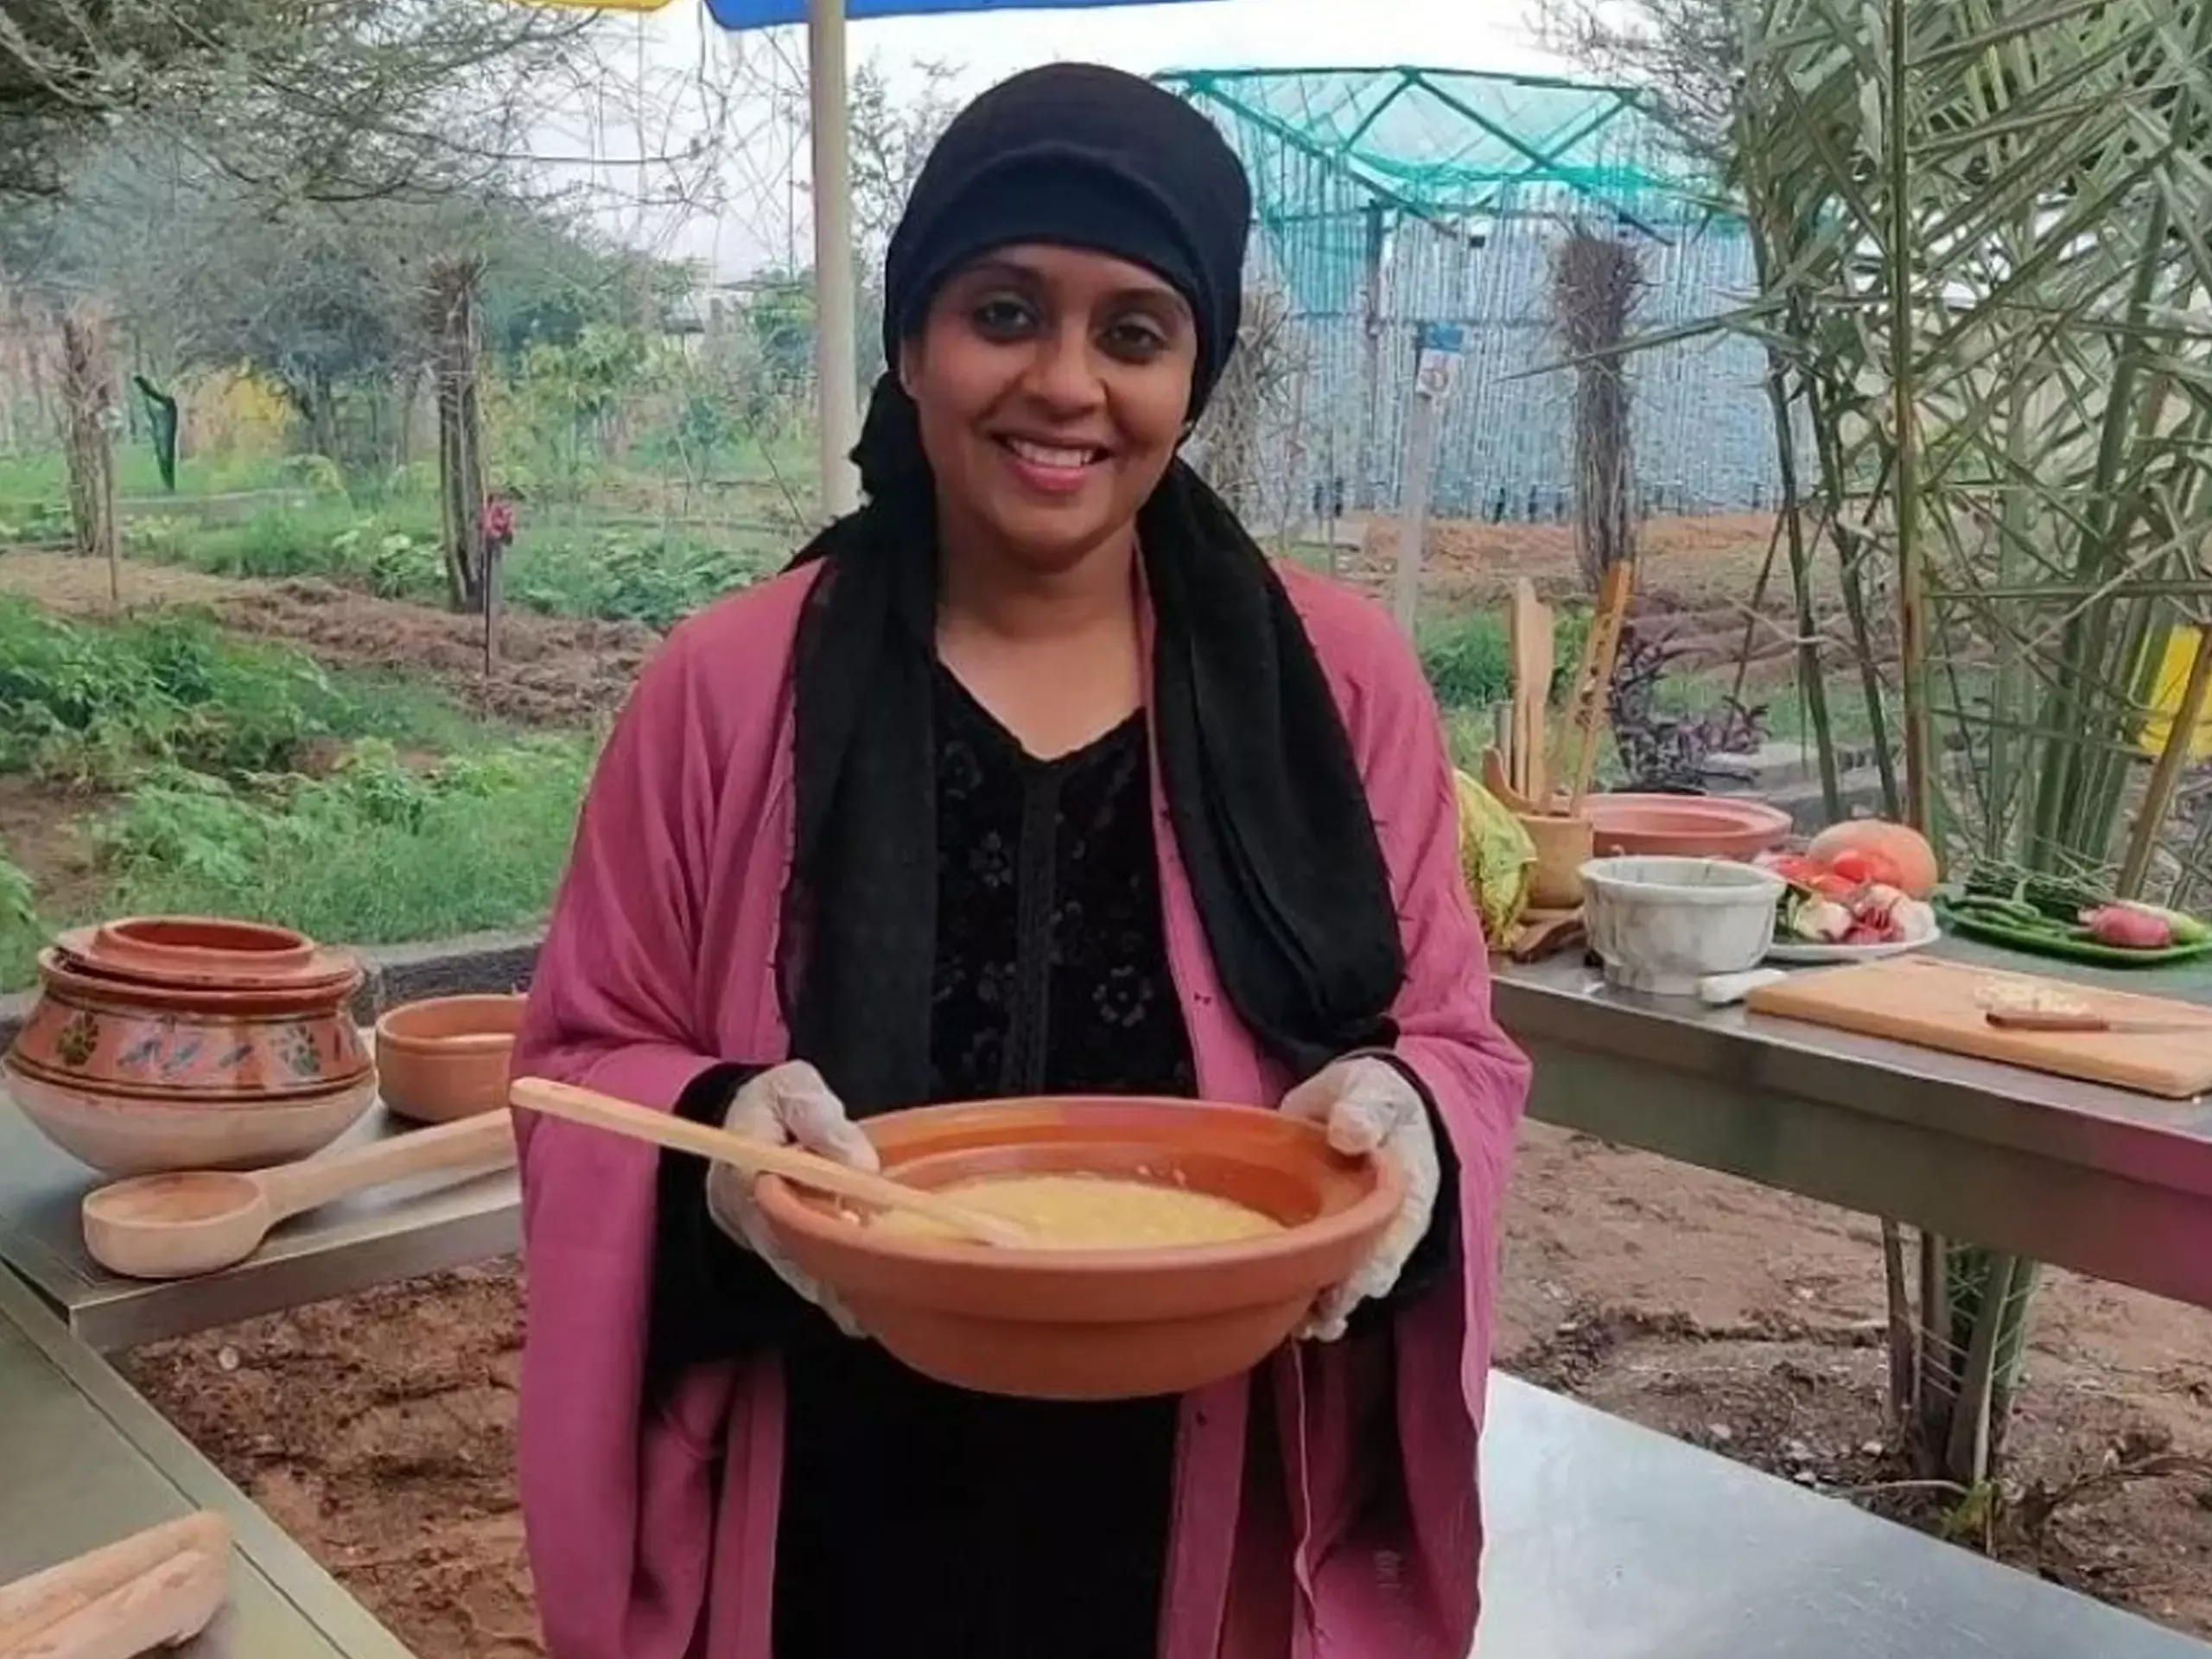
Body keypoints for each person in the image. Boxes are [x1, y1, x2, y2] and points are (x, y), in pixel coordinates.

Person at [511, 61, 1529, 1659]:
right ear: (911, 341)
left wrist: (1408, 1117)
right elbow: (580, 1065)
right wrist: (721, 1140)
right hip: (828, 1523)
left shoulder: (1338, 688)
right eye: (1003, 313)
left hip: (1208, 1516)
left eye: (1134, 332)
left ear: (1196, 377)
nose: (1065, 383)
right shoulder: (725, 691)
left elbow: (1454, 1046)